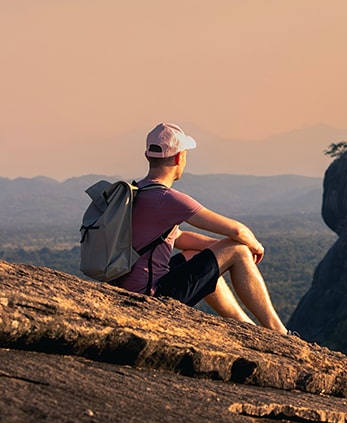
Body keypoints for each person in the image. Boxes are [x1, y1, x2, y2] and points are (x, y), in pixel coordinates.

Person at [115, 122, 290, 335]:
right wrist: (253, 246)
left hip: (129, 288)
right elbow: (236, 230)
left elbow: (178, 238)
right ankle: (279, 331)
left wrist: (218, 251)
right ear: (180, 158)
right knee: (239, 250)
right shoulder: (168, 199)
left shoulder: (137, 191)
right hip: (151, 295)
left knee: (195, 255)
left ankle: (247, 327)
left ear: (147, 156)